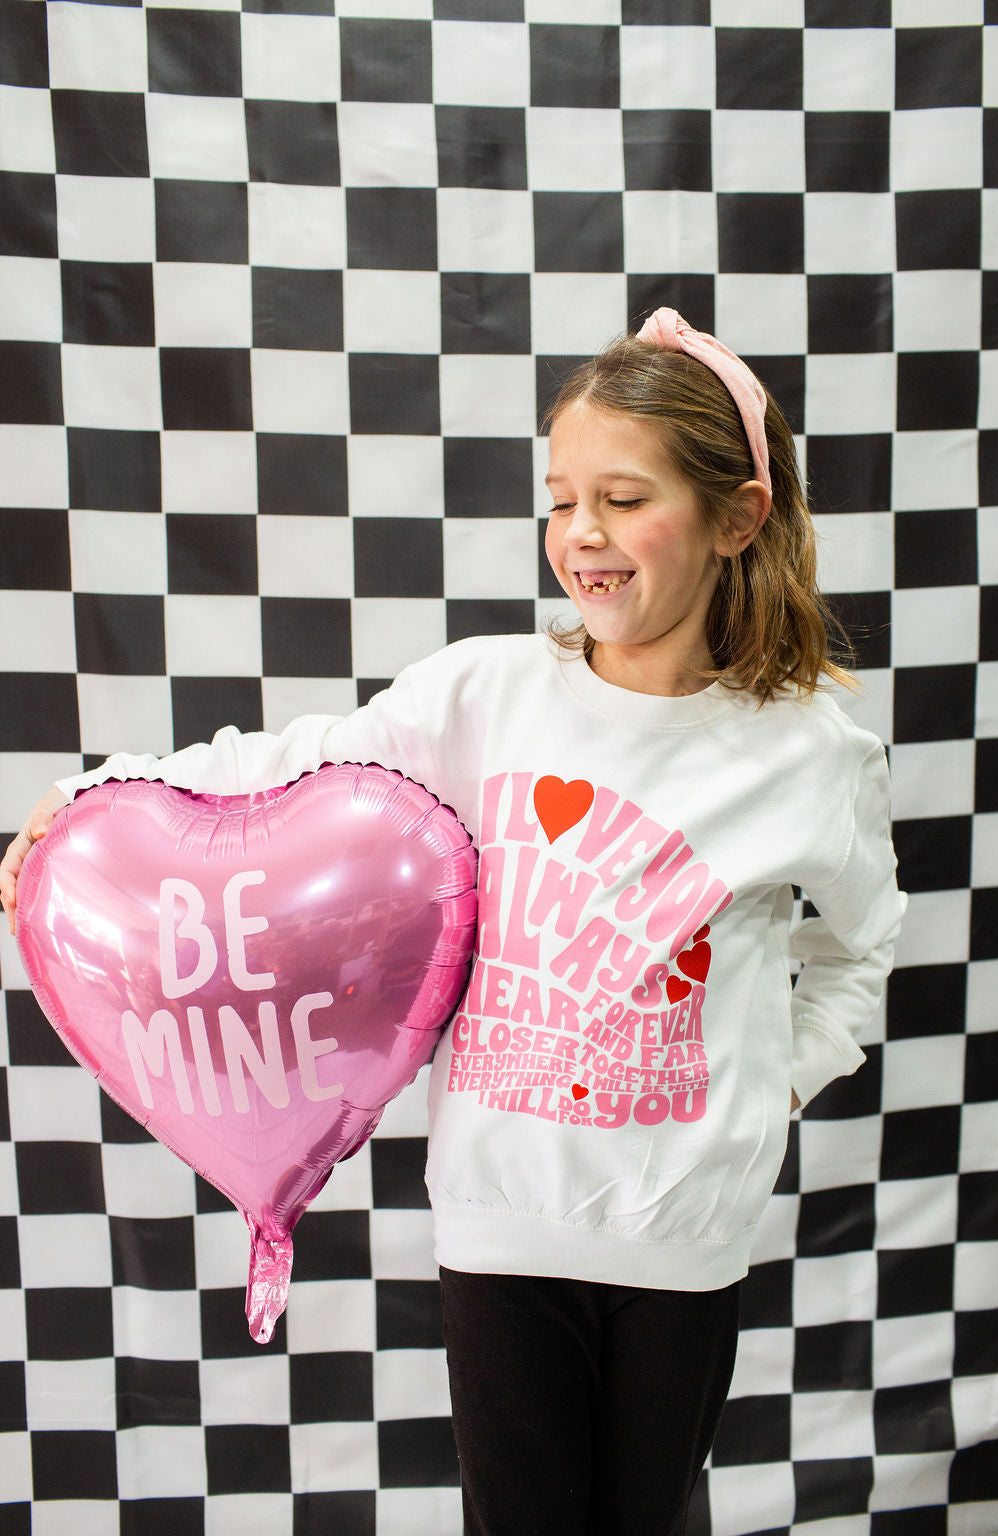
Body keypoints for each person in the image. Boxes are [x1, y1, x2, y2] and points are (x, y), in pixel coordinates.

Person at [1, 308, 903, 1536]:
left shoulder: (809, 755)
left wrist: (773, 1084)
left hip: (683, 1235)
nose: (582, 533)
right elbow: (299, 765)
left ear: (737, 518)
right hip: (499, 1226)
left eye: (624, 498)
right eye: (561, 499)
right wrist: (100, 794)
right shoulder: (486, 693)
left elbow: (858, 947)